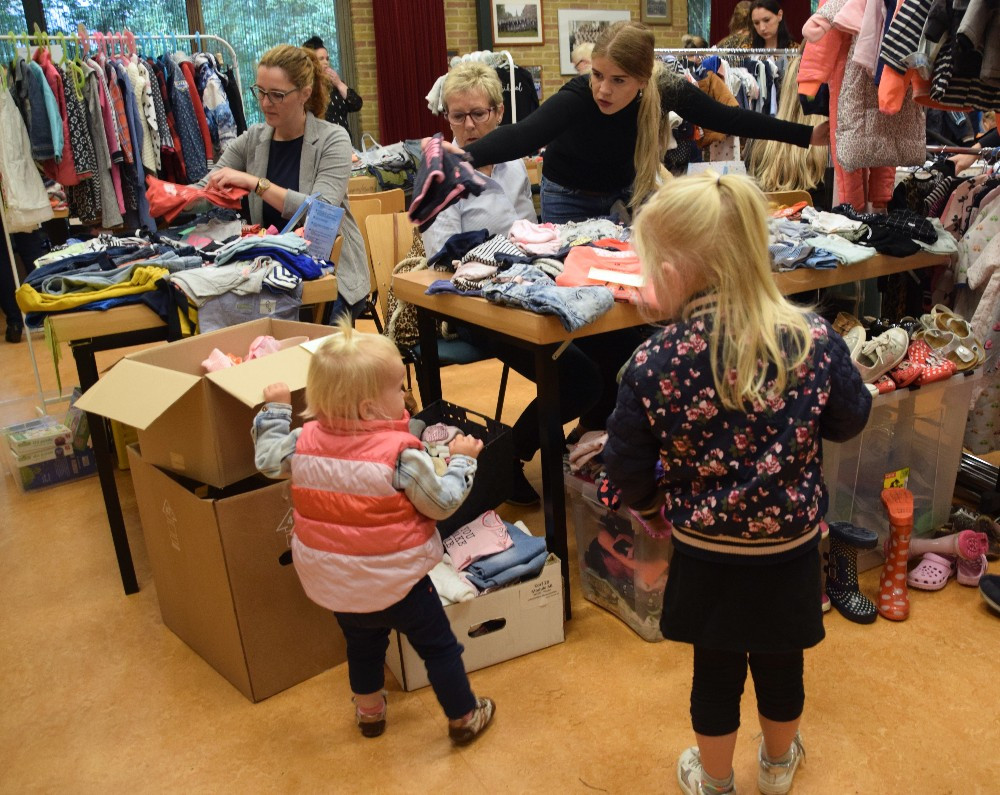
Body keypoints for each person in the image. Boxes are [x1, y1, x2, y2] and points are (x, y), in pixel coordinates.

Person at [603, 172, 871, 795]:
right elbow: (849, 420)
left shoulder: (653, 361)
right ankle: (776, 768)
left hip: (705, 551)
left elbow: (625, 467)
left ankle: (716, 780)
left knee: (715, 673)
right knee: (782, 665)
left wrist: (652, 507)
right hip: (791, 547)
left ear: (674, 271)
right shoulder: (814, 340)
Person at [252, 317, 496, 744]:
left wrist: (274, 410)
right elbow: (441, 503)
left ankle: (370, 714)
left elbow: (268, 460)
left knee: (363, 647)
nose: (405, 395)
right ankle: (463, 717)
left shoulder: (302, 442)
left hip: (338, 583)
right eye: (397, 388)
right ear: (368, 408)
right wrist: (462, 460)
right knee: (439, 648)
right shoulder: (399, 455)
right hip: (401, 585)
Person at [421, 61, 602, 505]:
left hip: (523, 290)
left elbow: (529, 232)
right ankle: (509, 456)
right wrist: (502, 254)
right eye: (458, 116)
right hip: (472, 304)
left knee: (609, 349)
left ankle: (581, 442)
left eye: (478, 114)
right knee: (579, 380)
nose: (468, 126)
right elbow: (441, 257)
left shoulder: (514, 163)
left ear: (499, 113)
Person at [458, 21, 827, 225]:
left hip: (625, 195)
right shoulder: (578, 96)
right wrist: (463, 158)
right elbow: (523, 135)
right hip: (568, 196)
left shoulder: (664, 89)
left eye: (618, 80)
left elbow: (729, 117)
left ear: (642, 79)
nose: (603, 89)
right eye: (597, 75)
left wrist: (808, 135)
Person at [199, 44, 368, 323]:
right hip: (273, 271)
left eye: (277, 95)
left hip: (331, 274)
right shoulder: (253, 139)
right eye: (261, 92)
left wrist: (256, 184)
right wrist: (170, 196)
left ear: (305, 93)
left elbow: (320, 211)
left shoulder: (333, 139)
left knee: (295, 337)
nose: (266, 103)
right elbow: (206, 187)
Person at [302, 35, 364, 137]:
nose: (326, 63)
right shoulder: (306, 89)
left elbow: (357, 104)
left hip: (343, 139)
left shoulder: (335, 84)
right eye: (321, 59)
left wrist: (339, 83)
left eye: (327, 59)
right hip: (322, 140)